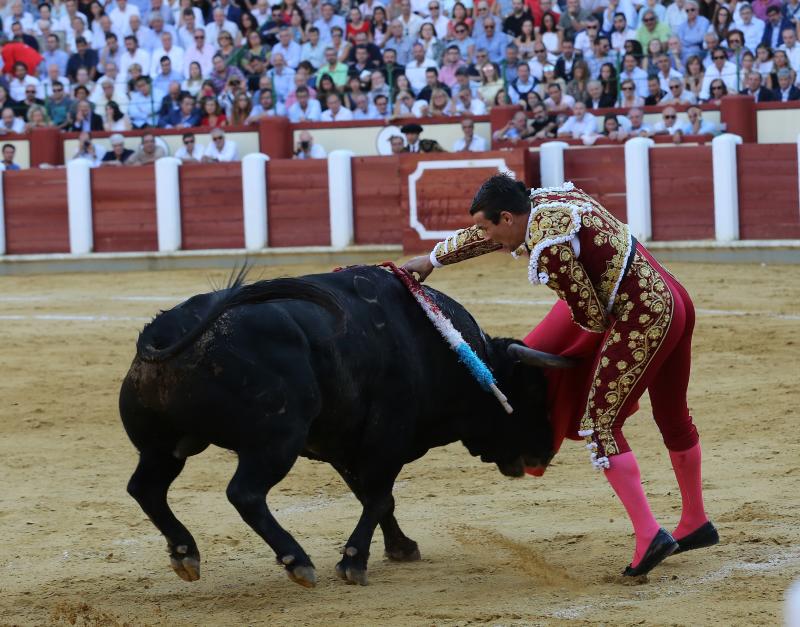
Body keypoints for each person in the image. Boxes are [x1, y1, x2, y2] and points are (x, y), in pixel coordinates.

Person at [401, 174, 717, 578]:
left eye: (487, 227)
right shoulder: (546, 199)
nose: (485, 237)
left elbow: (592, 317)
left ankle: (648, 534)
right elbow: (490, 234)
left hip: (643, 317)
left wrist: (569, 358)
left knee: (601, 424)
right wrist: (433, 260)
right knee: (672, 415)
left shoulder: (550, 250)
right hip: (673, 298)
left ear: (507, 218)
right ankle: (695, 521)